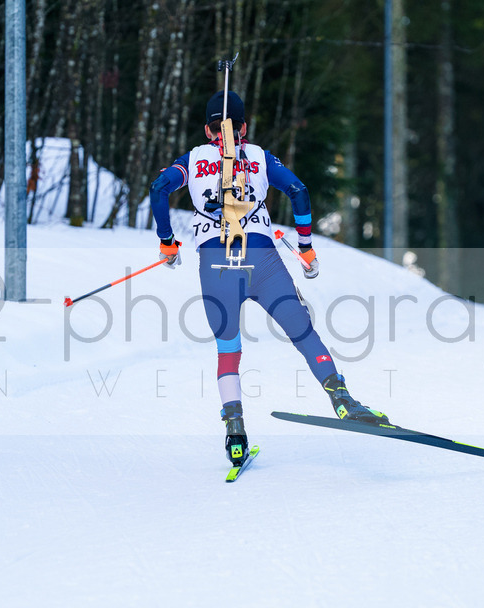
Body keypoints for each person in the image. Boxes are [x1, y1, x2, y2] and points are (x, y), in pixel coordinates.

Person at [148, 90, 388, 466]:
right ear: (244, 126)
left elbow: (159, 189)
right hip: (262, 259)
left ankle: (235, 433)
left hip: (215, 264)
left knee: (228, 350)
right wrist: (306, 247)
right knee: (303, 332)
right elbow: (298, 190)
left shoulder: (192, 159)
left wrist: (167, 242)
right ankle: (343, 400)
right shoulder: (258, 156)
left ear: (207, 128)